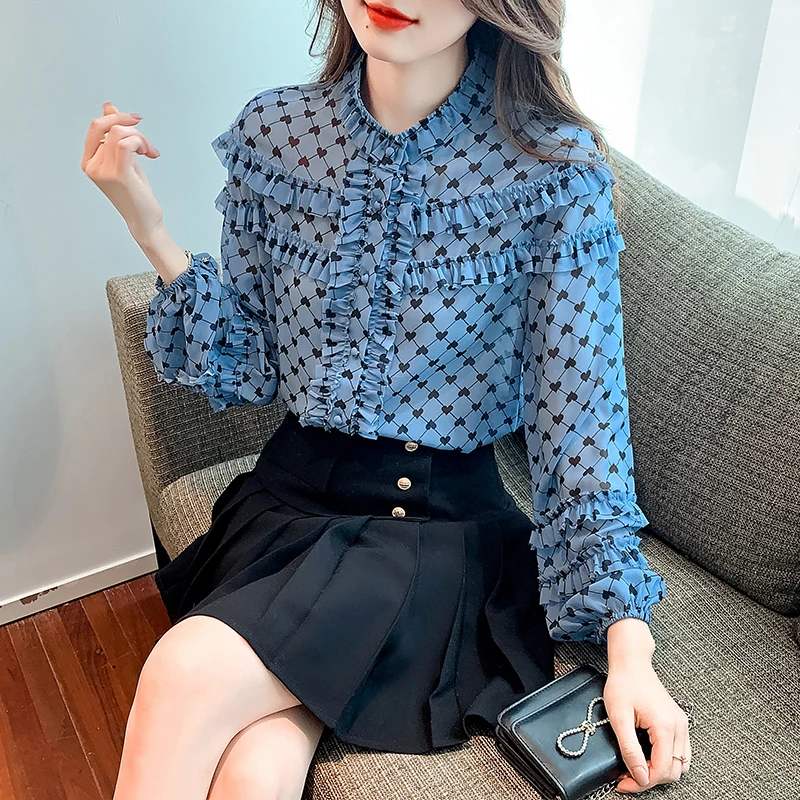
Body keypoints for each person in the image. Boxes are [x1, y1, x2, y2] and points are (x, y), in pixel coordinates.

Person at [82, 1, 692, 798]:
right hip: (288, 503)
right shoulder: (278, 133)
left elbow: (583, 426)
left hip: (431, 531)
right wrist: (149, 226)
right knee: (256, 771)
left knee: (182, 674)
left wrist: (630, 650)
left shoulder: (552, 174)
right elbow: (254, 366)